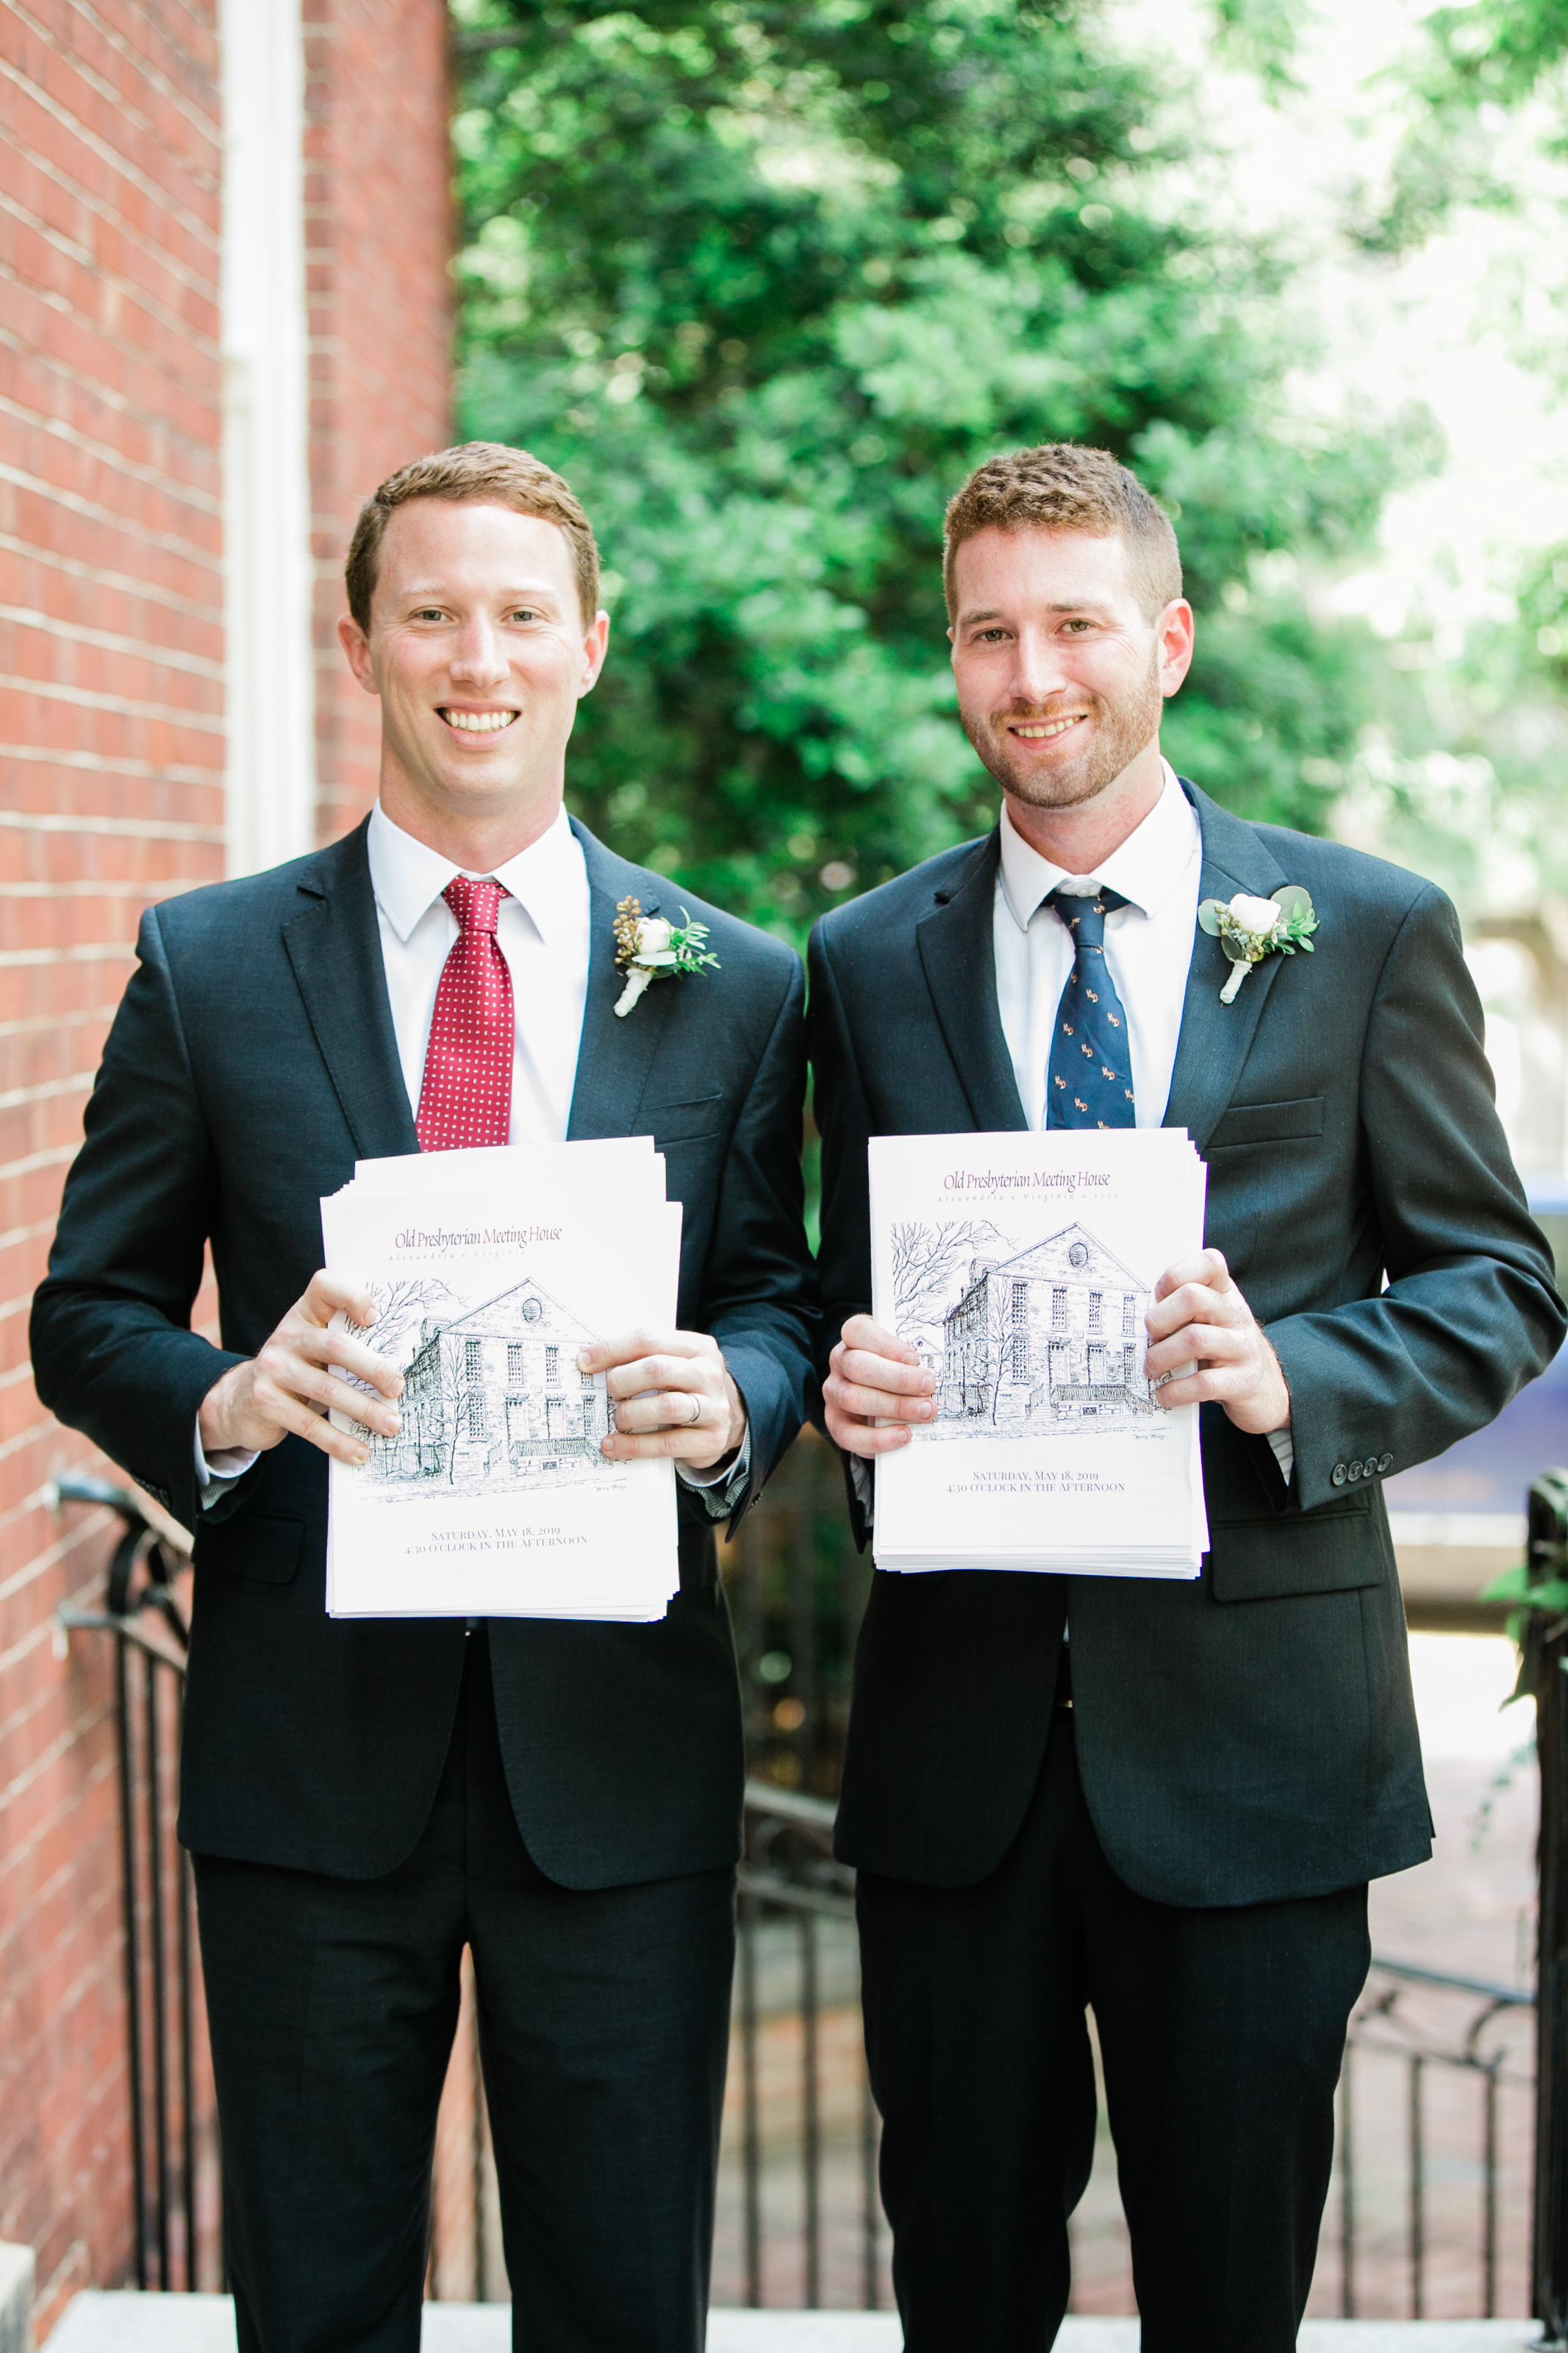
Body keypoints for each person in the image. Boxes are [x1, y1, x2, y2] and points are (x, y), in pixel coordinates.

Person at [31, 443, 817, 2353]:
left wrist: (735, 1395)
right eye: (436, 611)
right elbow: (87, 1313)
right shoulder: (210, 967)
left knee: (623, 2305)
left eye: (523, 613)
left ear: (591, 647)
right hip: (312, 1762)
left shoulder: (729, 981)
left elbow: (782, 1294)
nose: (483, 654)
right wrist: (229, 1398)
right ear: (363, 641)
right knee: (314, 2308)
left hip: (615, 1764)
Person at [809, 442, 1564, 2351]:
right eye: (990, 632)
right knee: (957, 2295)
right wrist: (848, 1382)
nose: (1031, 672)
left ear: (1169, 640)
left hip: (1256, 1756)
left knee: (1228, 2303)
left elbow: (1503, 1282)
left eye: (1074, 625)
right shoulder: (860, 960)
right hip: (959, 1753)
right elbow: (834, 1288)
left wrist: (1285, 1369)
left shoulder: (1365, 929)